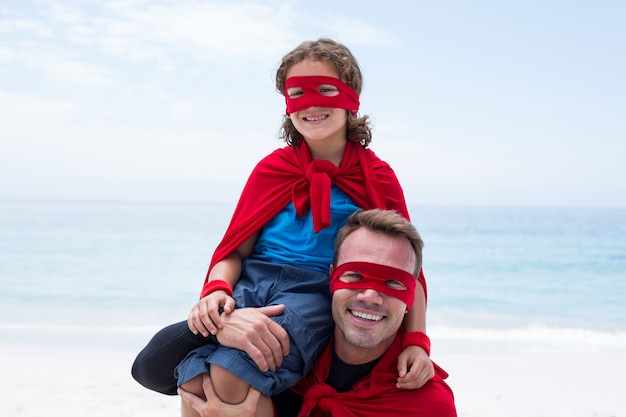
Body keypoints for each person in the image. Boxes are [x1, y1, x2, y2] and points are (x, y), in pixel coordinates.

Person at [132, 38, 432, 417]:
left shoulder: (377, 178)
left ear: (351, 97)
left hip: (313, 293)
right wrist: (216, 290)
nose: (310, 103)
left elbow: (410, 271)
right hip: (253, 282)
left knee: (228, 374)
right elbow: (234, 250)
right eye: (296, 93)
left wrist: (417, 341)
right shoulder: (271, 170)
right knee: (192, 382)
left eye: (325, 89)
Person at [178, 209, 457, 417]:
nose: (370, 296)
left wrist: (417, 342)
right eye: (355, 275)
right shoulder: (283, 353)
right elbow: (149, 369)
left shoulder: (428, 404)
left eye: (393, 282)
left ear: (412, 296)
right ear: (331, 277)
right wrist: (225, 321)